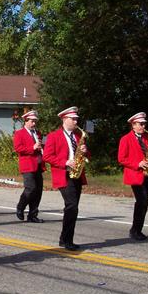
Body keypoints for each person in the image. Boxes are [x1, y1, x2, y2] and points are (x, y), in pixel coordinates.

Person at [43, 106, 89, 251]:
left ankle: (64, 238)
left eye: (76, 119)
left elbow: (85, 156)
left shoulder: (77, 136)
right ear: (64, 119)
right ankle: (68, 240)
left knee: (73, 208)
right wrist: (65, 162)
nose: (76, 121)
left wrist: (85, 152)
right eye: (73, 119)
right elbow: (47, 156)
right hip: (63, 175)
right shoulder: (53, 136)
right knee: (72, 206)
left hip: (76, 174)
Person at [118, 112, 148, 241]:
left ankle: (137, 229)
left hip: (147, 174)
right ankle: (135, 230)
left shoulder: (147, 137)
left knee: (144, 203)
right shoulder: (125, 139)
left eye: (144, 123)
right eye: (141, 124)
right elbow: (121, 159)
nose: (143, 126)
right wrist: (137, 164)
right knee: (142, 201)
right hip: (135, 175)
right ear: (133, 125)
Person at [13, 110, 45, 223]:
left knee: (38, 191)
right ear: (25, 121)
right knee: (30, 188)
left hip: (39, 165)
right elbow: (18, 148)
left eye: (35, 121)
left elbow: (42, 145)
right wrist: (32, 147)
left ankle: (32, 215)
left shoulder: (38, 133)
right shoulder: (19, 133)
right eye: (32, 121)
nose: (34, 123)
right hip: (27, 165)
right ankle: (20, 207)